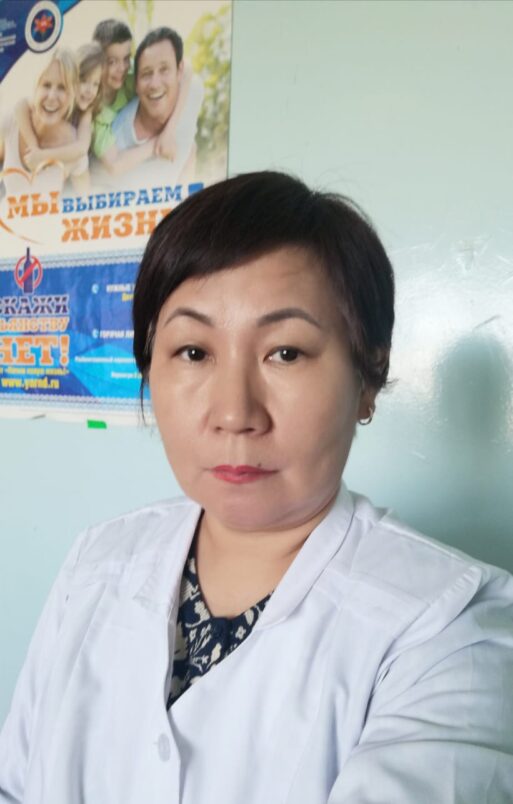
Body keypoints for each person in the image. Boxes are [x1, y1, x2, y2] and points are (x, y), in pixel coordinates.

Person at [1, 171, 512, 804]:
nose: (234, 412)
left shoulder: (452, 629)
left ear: (369, 379)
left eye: (286, 353)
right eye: (193, 352)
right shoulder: (96, 563)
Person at [111, 27, 204, 185]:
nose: (155, 84)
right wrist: (156, 144)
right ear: (136, 84)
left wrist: (170, 130)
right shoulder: (118, 138)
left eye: (164, 70)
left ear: (179, 72)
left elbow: (188, 68)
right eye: (146, 74)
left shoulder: (193, 92)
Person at [0, 49, 88, 203]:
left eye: (62, 88)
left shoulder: (73, 148)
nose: (52, 96)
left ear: (72, 94)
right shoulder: (11, 122)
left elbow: (88, 201)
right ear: (36, 86)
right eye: (46, 85)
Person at [13, 43, 104, 186]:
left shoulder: (85, 113)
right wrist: (34, 146)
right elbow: (20, 106)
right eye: (84, 81)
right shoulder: (55, 102)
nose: (89, 90)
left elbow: (81, 149)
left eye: (95, 84)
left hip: (75, 167)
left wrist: (42, 157)